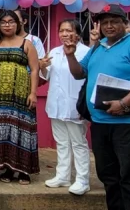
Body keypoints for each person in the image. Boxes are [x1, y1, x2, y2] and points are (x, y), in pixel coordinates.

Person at [65, 4, 130, 210]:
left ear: (125, 24)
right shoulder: (98, 47)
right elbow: (79, 73)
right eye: (104, 22)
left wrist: (124, 103)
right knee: (110, 179)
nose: (108, 26)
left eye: (114, 22)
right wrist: (70, 55)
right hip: (101, 124)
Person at [0, 9, 40, 185]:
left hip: (20, 96)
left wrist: (33, 93)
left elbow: (35, 69)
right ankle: (8, 168)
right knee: (2, 130)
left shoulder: (27, 44)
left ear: (17, 24)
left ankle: (24, 171)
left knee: (20, 129)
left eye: (11, 21)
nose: (7, 25)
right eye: (3, 22)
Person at [40, 19, 91, 195]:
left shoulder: (86, 52)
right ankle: (62, 176)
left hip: (75, 105)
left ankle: (82, 179)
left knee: (78, 143)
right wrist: (42, 67)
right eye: (61, 31)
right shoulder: (54, 51)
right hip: (56, 104)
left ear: (77, 33)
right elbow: (46, 76)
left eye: (69, 30)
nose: (64, 34)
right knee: (61, 142)